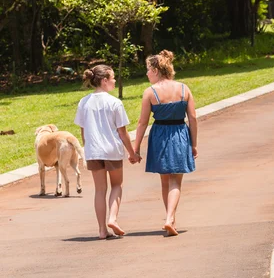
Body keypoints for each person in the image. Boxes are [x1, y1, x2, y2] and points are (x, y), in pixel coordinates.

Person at [133, 50, 198, 236]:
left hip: (160, 135)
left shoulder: (150, 93)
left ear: (155, 69)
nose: (146, 74)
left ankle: (169, 218)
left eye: (148, 69)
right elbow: (192, 118)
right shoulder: (184, 89)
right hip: (180, 134)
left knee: (164, 181)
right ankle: (171, 219)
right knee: (176, 180)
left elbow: (142, 123)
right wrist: (194, 144)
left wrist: (136, 148)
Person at [75, 65, 140, 240]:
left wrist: (87, 147)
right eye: (112, 78)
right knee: (117, 185)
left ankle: (102, 230)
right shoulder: (114, 103)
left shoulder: (84, 102)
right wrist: (132, 152)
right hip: (111, 149)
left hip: (93, 150)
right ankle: (113, 218)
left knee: (100, 190)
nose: (114, 81)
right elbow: (122, 132)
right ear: (104, 81)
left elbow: (83, 130)